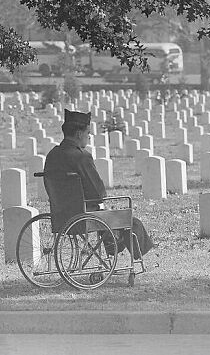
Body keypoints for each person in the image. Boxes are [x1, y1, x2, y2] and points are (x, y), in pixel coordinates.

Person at [44, 109, 154, 258]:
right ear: (78, 134)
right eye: (88, 133)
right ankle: (124, 247)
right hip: (83, 216)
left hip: (60, 214)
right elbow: (98, 193)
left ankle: (113, 241)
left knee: (103, 212)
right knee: (132, 222)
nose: (89, 137)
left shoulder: (52, 155)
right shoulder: (81, 157)